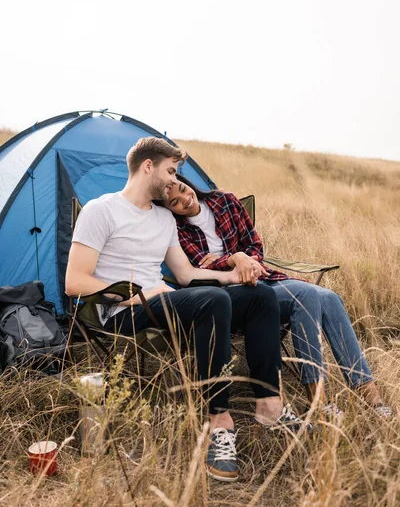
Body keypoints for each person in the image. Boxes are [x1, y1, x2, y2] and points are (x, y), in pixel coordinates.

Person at [65, 137, 310, 484]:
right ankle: (218, 424)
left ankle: (269, 407)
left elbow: (186, 274)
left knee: (259, 297)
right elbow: (74, 282)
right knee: (212, 300)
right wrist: (139, 295)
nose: (174, 179)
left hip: (162, 301)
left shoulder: (164, 219)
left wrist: (233, 275)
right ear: (147, 166)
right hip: (123, 309)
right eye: (171, 171)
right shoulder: (100, 210)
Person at [161, 174, 392, 420]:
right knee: (304, 295)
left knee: (330, 298)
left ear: (189, 184)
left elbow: (255, 245)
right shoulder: (176, 228)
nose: (185, 200)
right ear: (169, 209)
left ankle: (370, 395)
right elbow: (199, 267)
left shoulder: (225, 201)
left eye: (184, 190)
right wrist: (233, 260)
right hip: (232, 293)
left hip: (264, 277)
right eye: (175, 202)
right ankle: (318, 402)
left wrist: (243, 258)